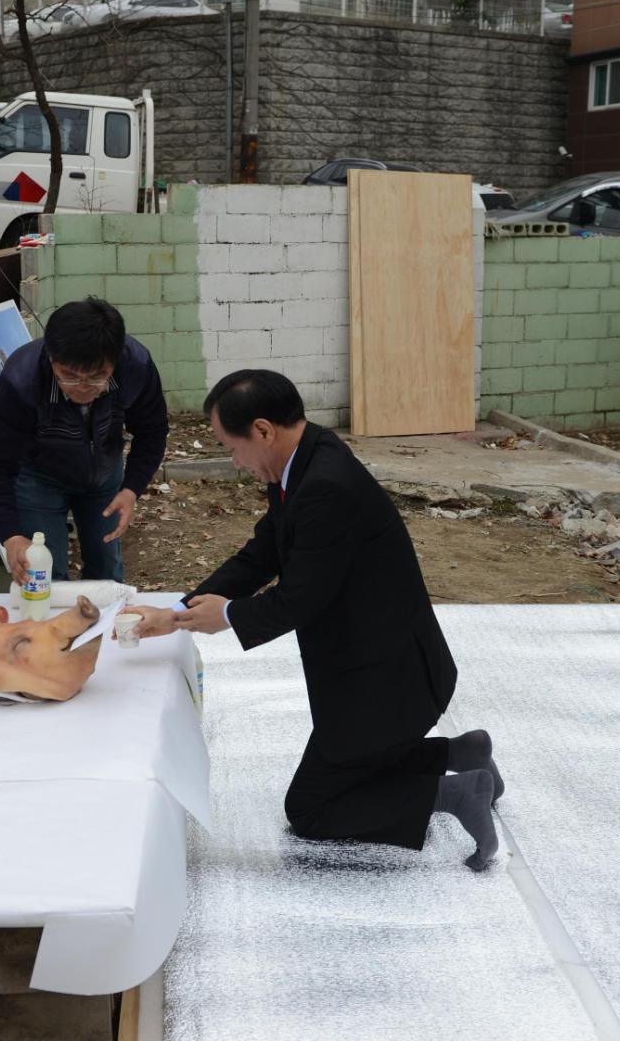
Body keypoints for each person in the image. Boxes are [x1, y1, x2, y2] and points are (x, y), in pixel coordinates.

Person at [123, 370, 505, 871]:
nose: (234, 462)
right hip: (376, 668)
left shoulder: (325, 486)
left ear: (262, 430)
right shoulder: (302, 464)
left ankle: (455, 793)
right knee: (348, 775)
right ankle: (462, 752)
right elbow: (262, 554)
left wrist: (230, 616)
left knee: (312, 807)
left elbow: (301, 599)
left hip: (386, 682)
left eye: (230, 446)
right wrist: (177, 614)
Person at [0, 298, 168, 584]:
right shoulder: (21, 379)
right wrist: (11, 535)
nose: (82, 388)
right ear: (51, 358)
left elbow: (152, 431)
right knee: (44, 573)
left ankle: (104, 627)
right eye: (68, 376)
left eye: (96, 377)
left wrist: (131, 489)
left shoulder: (136, 366)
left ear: (114, 363)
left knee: (107, 569)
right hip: (38, 479)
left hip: (105, 472)